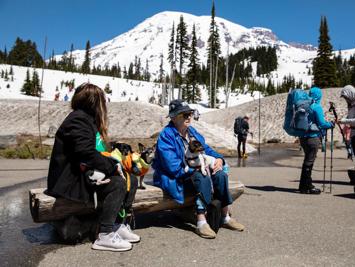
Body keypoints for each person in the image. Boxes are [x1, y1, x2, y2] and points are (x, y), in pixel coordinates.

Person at [47, 83, 140, 252]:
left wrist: (114, 156)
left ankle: (118, 224)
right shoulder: (79, 119)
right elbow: (85, 152)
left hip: (82, 174)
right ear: (95, 102)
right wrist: (113, 166)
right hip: (70, 181)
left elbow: (90, 150)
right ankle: (105, 234)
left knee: (130, 179)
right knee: (118, 183)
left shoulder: (86, 119)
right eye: (102, 101)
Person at [152, 99, 245, 239]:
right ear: (173, 117)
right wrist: (195, 170)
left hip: (193, 172)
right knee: (201, 176)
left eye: (190, 113)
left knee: (220, 175)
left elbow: (206, 149)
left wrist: (219, 159)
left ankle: (225, 217)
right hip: (175, 177)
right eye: (184, 114)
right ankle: (201, 221)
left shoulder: (191, 132)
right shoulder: (166, 136)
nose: (189, 117)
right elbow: (172, 167)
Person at [298, 87, 334, 194]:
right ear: (319, 96)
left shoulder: (303, 105)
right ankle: (307, 186)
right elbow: (322, 124)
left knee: (307, 161)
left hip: (303, 137)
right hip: (313, 137)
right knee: (309, 161)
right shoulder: (316, 107)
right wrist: (331, 124)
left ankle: (303, 185)